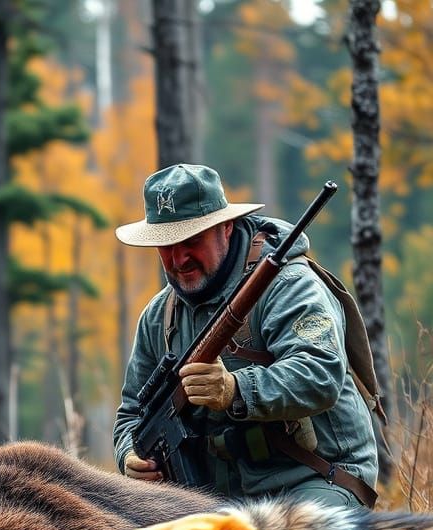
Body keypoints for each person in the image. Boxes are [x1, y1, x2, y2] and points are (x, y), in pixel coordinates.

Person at [112, 163, 378, 508]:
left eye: (191, 240)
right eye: (166, 245)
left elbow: (320, 374)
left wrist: (234, 390)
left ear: (225, 228)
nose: (179, 258)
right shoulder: (158, 317)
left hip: (314, 478)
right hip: (216, 500)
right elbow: (132, 413)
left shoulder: (288, 285)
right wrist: (129, 455)